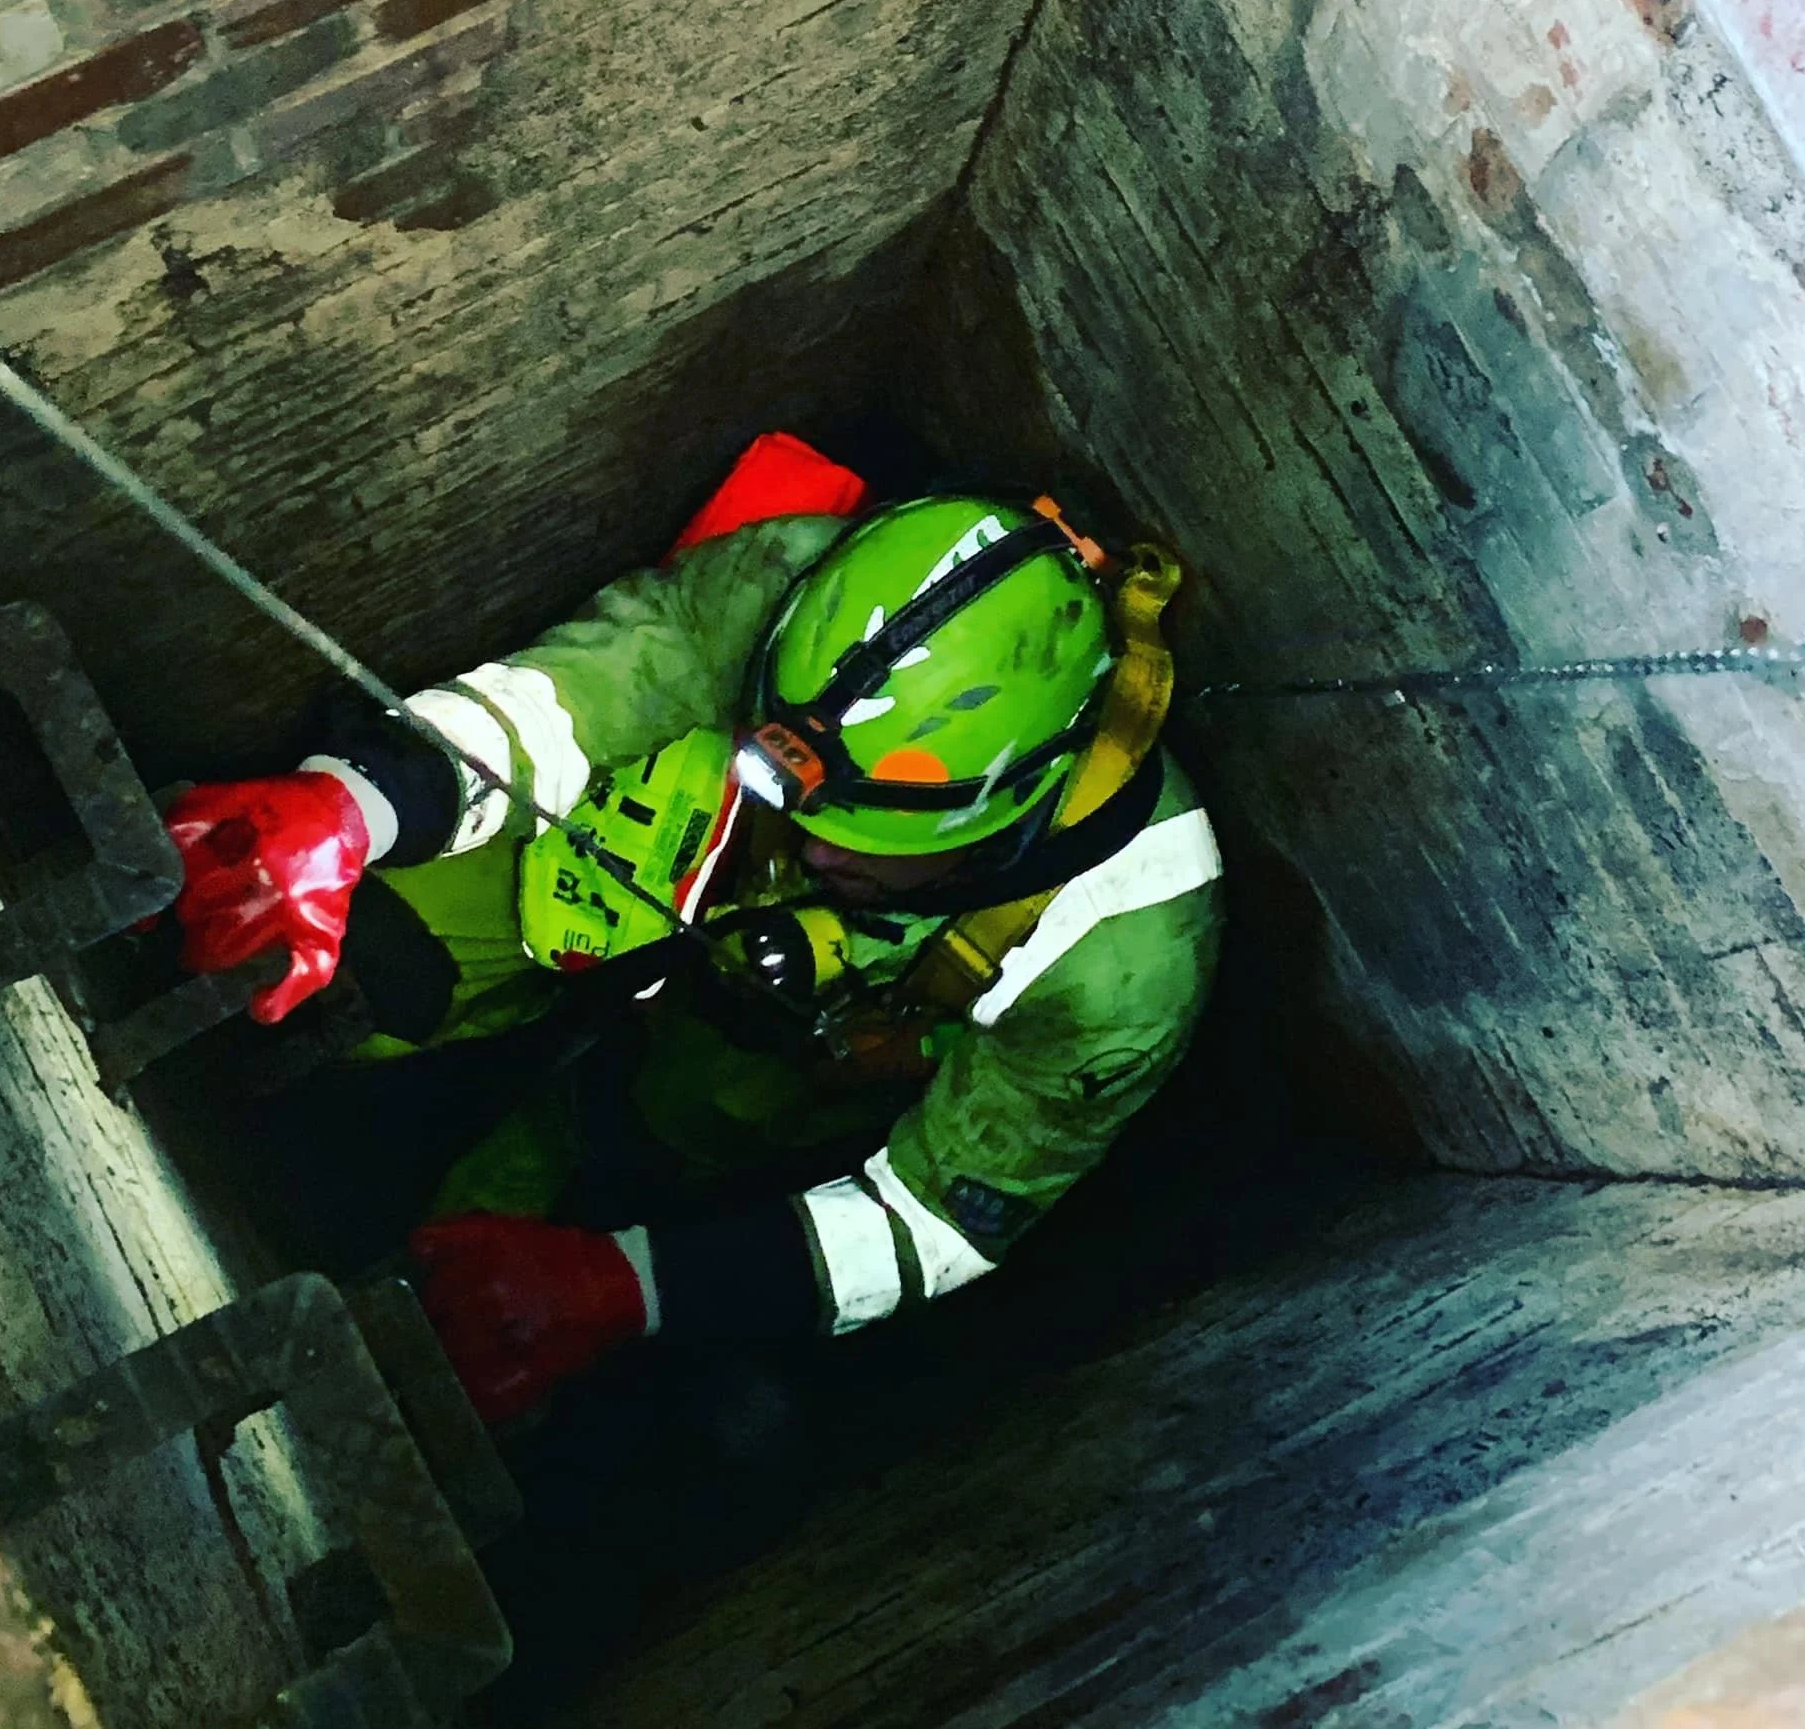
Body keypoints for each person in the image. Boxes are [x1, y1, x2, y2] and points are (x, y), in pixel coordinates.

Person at [166, 440, 1224, 1426]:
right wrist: (349, 809)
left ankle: (467, 1281)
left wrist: (625, 1283)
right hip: (630, 858)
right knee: (361, 961)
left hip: (792, 1043)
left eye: (857, 839)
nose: (814, 846)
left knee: (616, 1171)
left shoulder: (1123, 962)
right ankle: (241, 1079)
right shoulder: (805, 588)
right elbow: (583, 688)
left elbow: (930, 1222)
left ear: (1005, 815)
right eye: (803, 805)